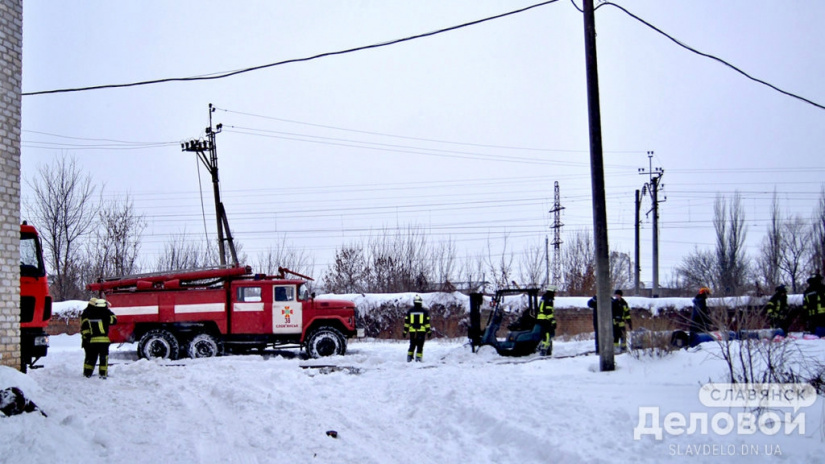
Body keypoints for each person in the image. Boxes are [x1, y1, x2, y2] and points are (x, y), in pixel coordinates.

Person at [80, 297, 118, 378]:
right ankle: (103, 374)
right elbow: (114, 320)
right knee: (103, 358)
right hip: (103, 341)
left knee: (91, 357)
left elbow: (85, 326)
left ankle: (88, 373)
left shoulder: (90, 314)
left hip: (93, 341)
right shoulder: (106, 315)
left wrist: (87, 337)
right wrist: (108, 311)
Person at [403, 295, 431, 362]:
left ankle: (409, 359)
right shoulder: (424, 312)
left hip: (412, 331)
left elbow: (407, 323)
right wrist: (429, 331)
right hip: (421, 331)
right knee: (420, 346)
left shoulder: (410, 311)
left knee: (412, 345)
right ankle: (418, 359)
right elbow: (427, 323)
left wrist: (405, 331)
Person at [537, 288, 557, 356]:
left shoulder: (544, 298)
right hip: (545, 319)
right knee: (547, 335)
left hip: (541, 319)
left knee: (545, 334)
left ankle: (545, 350)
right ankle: (543, 350)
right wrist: (553, 321)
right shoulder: (549, 299)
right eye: (554, 292)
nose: (555, 294)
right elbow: (548, 312)